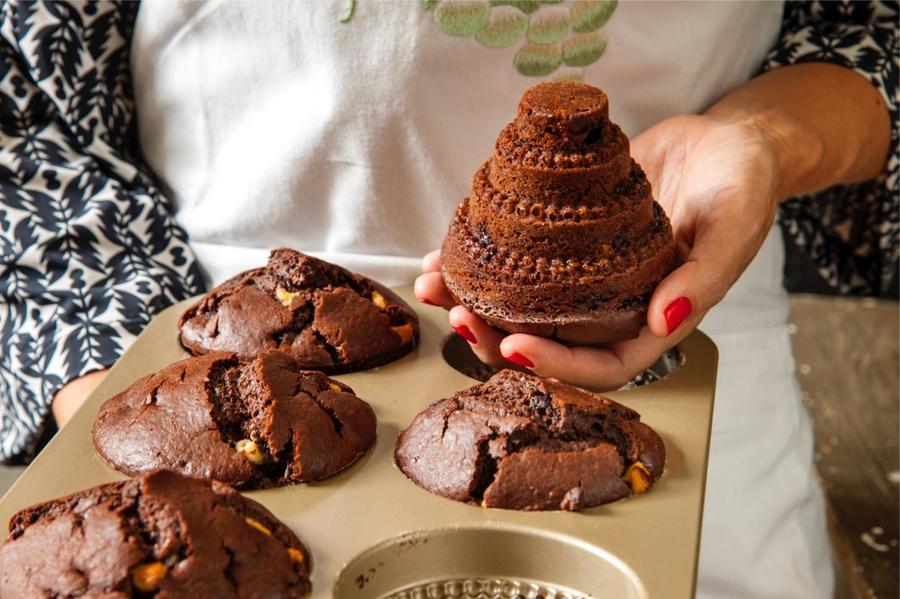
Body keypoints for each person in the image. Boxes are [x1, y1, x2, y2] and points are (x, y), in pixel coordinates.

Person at [0, 1, 896, 597]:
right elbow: (25, 121)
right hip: (202, 337)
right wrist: (128, 394)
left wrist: (761, 140)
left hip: (683, 369)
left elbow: (870, 25)